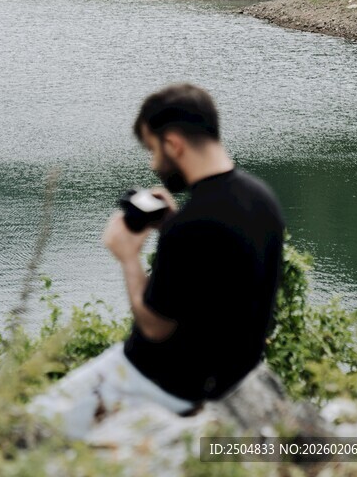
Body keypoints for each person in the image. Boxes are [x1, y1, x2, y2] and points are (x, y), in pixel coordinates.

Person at [30, 83, 284, 440]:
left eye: (153, 149)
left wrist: (128, 257)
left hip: (160, 382)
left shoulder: (192, 225)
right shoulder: (261, 199)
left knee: (30, 427)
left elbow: (155, 327)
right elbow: (219, 283)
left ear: (174, 144)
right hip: (231, 378)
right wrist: (170, 226)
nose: (153, 163)